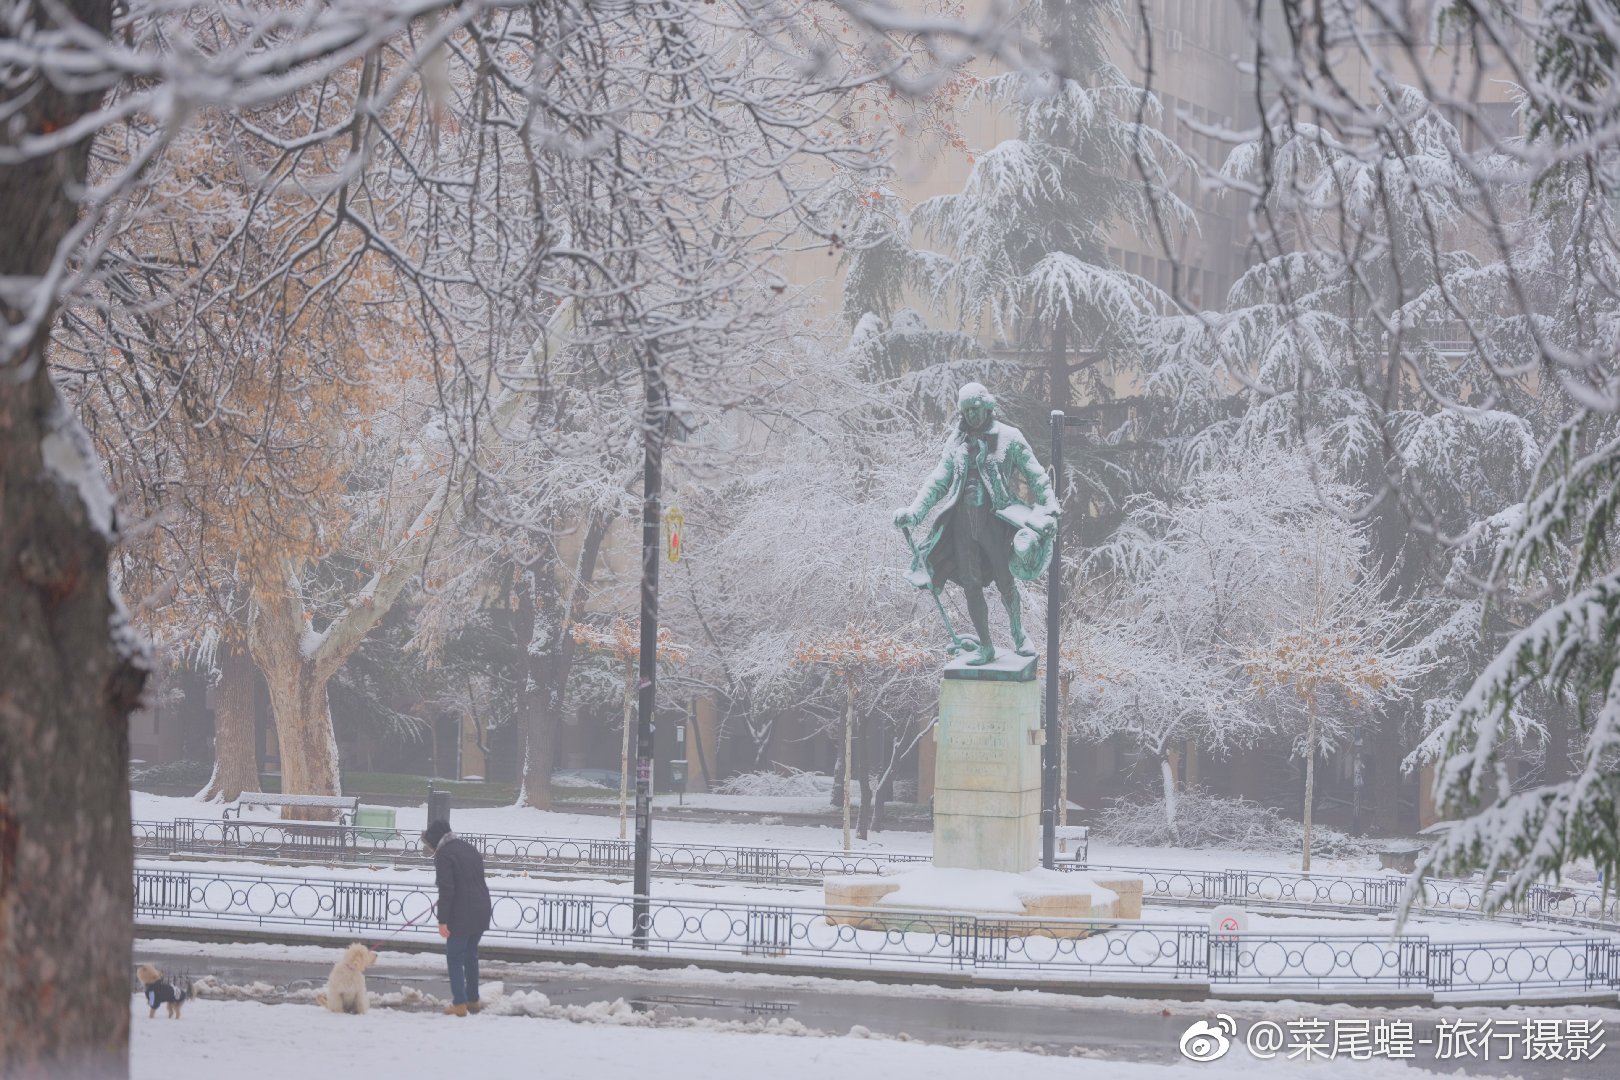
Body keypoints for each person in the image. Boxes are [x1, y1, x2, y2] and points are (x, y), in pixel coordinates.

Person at [894, 382, 1058, 665]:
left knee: (1005, 579)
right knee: (971, 584)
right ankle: (986, 646)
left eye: (976, 409)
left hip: (994, 520)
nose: (971, 415)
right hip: (961, 523)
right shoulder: (956, 442)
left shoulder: (1009, 437)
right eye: (966, 410)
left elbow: (1036, 474)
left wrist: (1049, 506)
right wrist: (914, 512)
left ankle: (1019, 635)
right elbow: (938, 481)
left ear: (988, 406)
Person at [420, 819, 492, 1016]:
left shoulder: (444, 855)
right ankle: (473, 1000)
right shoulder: (468, 848)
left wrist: (442, 921)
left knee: (454, 957)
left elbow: (447, 889)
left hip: (462, 913)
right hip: (482, 909)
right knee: (470, 955)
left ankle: (459, 1003)